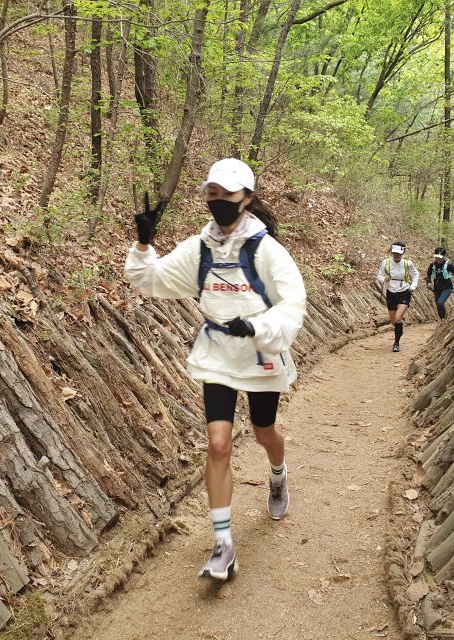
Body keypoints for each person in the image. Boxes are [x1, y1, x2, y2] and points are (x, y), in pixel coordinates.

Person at [124, 158, 307, 581]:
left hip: (260, 355)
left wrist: (259, 326)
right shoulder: (199, 248)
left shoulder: (267, 251)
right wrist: (143, 243)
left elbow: (293, 303)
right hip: (218, 355)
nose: (219, 202)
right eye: (212, 194)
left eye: (227, 194)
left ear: (247, 198)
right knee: (218, 443)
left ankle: (278, 474)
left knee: (264, 432)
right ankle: (223, 543)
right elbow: (150, 281)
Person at [376, 241, 419, 352]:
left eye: (399, 253)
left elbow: (415, 275)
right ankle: (399, 328)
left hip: (404, 290)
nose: (396, 255)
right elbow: (379, 275)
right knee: (393, 321)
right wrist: (384, 280)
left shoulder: (407, 263)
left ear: (403, 252)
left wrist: (413, 286)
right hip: (391, 291)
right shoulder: (386, 262)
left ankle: (396, 343)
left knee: (398, 318)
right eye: (394, 253)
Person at [426, 247, 454, 320]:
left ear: (443, 257)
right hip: (437, 288)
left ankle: (444, 319)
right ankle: (442, 319)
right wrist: (428, 282)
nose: (437, 259)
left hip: (447, 287)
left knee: (440, 303)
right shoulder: (432, 265)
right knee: (438, 305)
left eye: (439, 258)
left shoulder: (448, 265)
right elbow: (428, 275)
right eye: (436, 257)